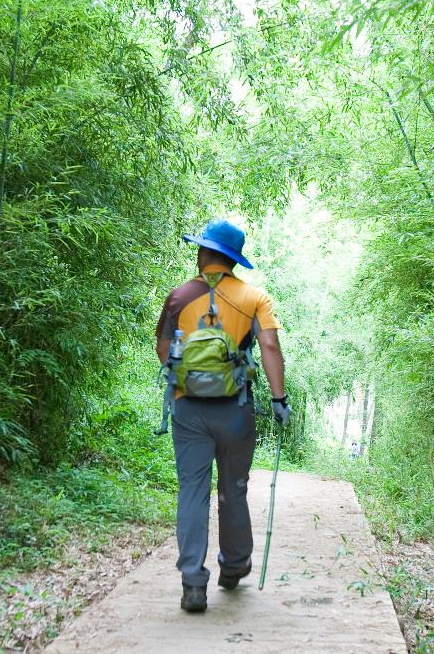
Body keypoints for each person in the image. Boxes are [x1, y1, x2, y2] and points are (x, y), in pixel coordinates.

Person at [155, 218, 289, 613]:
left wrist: (186, 383)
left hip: (189, 410)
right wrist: (279, 399)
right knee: (233, 490)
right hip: (236, 409)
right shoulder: (254, 298)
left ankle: (193, 584)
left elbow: (164, 348)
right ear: (232, 259)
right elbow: (269, 345)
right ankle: (233, 567)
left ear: (205, 253)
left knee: (192, 491)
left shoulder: (178, 296)